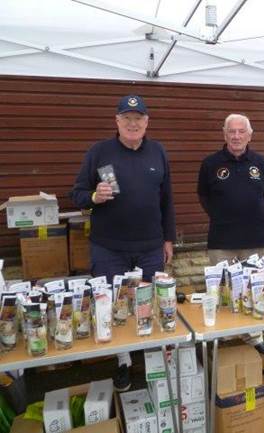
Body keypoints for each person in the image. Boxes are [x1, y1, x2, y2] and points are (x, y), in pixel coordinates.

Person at [71, 95, 176, 391]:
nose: (133, 124)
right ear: (117, 121)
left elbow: (167, 200)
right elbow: (77, 192)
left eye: (138, 118)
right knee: (114, 306)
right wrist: (93, 197)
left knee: (148, 302)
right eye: (126, 118)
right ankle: (123, 361)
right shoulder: (99, 152)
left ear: (146, 122)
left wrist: (168, 238)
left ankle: (153, 358)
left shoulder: (158, 152)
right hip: (109, 247)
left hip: (150, 247)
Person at [197, 113, 264, 354]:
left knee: (255, 290)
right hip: (222, 241)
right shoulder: (211, 164)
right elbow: (203, 196)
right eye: (232, 131)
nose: (237, 136)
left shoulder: (261, 163)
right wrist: (223, 216)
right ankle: (227, 337)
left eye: (242, 131)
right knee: (224, 291)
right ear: (224, 134)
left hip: (256, 241)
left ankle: (254, 337)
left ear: (250, 135)